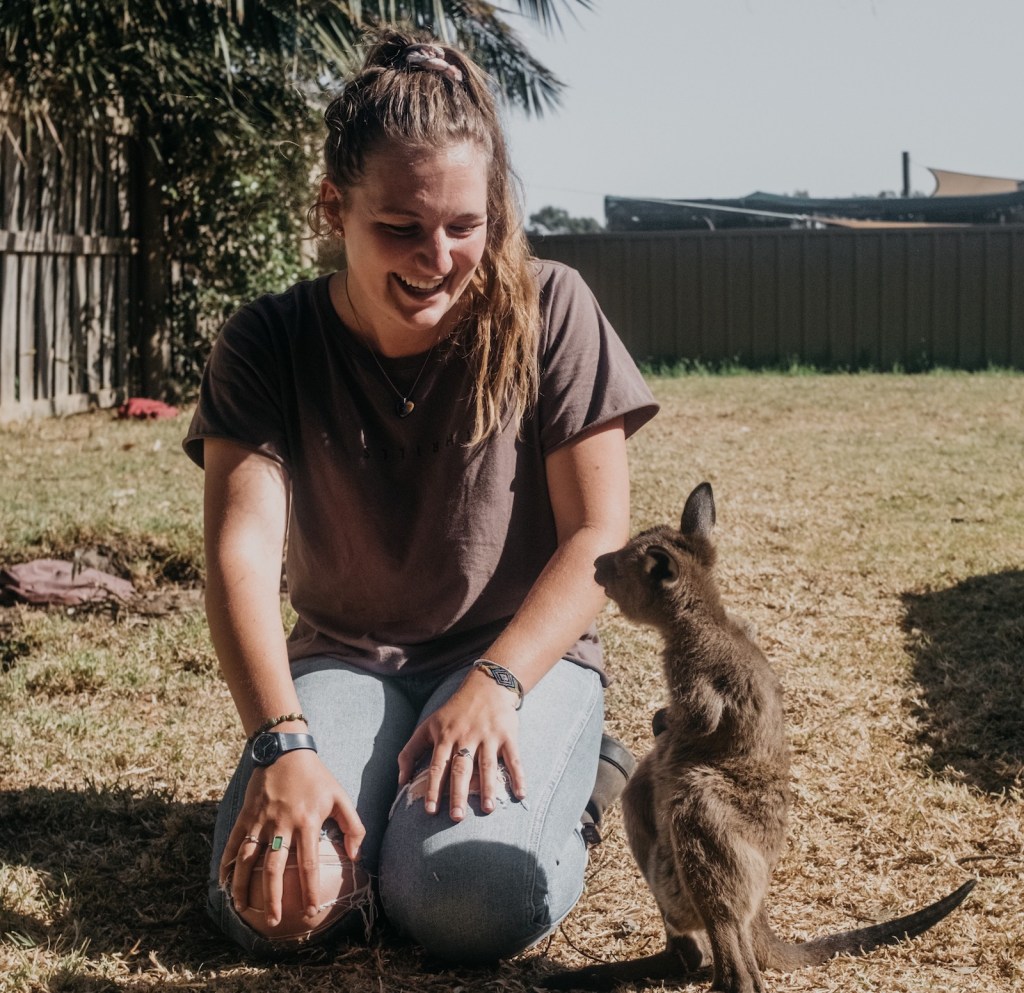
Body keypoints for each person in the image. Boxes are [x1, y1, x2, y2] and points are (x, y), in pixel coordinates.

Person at [183, 28, 658, 964]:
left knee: (461, 897)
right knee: (276, 908)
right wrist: (282, 744)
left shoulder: (552, 309)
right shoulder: (266, 342)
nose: (436, 256)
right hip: (346, 660)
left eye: (464, 226)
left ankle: (583, 781)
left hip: (513, 659)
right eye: (399, 226)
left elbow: (599, 534)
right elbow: (241, 552)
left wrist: (498, 680)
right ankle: (372, 816)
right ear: (333, 207)